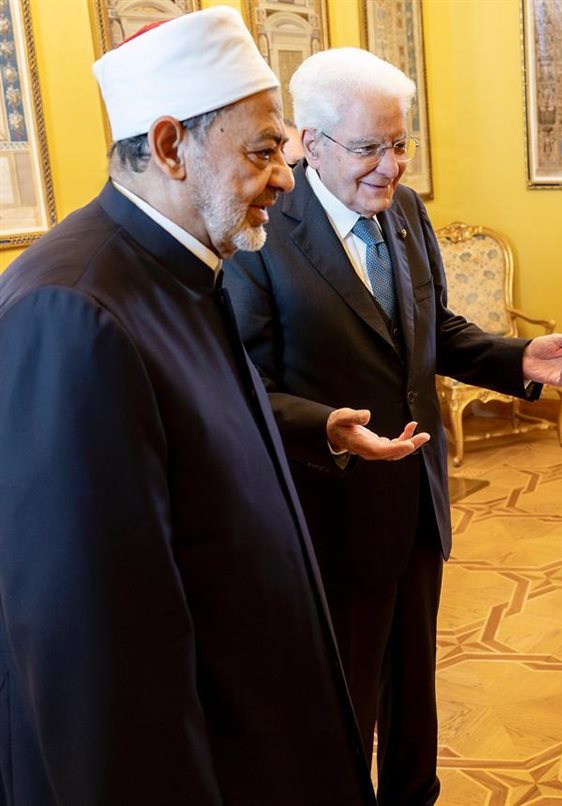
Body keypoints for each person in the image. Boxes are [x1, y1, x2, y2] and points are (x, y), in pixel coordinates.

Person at [0, 8, 374, 802]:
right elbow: (96, 652)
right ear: (171, 147)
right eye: (263, 151)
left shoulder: (181, 268)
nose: (285, 177)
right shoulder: (72, 310)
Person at [223, 48, 562, 805]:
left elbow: (434, 332)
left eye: (399, 144)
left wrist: (518, 357)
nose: (391, 166)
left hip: (418, 502)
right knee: (344, 707)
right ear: (311, 142)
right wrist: (328, 427)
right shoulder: (259, 232)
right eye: (369, 147)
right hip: (330, 515)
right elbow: (243, 385)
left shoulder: (405, 212)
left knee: (413, 693)